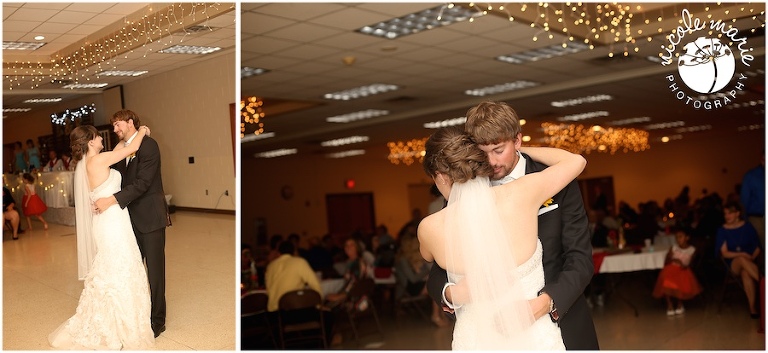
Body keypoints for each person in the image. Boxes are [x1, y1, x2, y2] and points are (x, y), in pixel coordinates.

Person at [426, 101, 599, 350]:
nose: (491, 162)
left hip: (559, 320)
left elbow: (580, 259)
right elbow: (440, 266)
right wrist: (450, 293)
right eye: (482, 152)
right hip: (490, 329)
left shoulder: (555, 178)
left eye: (498, 149)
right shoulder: (466, 187)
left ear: (517, 141)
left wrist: (544, 303)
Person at [48, 124, 153, 349]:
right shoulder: (99, 160)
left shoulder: (88, 162)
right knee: (121, 266)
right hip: (113, 221)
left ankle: (111, 317)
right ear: (90, 141)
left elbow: (119, 149)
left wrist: (124, 138)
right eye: (97, 136)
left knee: (111, 266)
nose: (101, 138)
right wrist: (142, 130)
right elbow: (130, 147)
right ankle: (121, 323)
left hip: (106, 220)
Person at [93, 109, 171, 338]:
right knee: (134, 270)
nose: (115, 130)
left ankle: (158, 320)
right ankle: (137, 314)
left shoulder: (149, 145)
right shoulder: (125, 149)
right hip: (127, 220)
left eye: (118, 125)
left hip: (150, 216)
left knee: (155, 273)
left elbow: (144, 183)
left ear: (130, 123)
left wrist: (111, 200)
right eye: (114, 126)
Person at [715, 201, 762, 319]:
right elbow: (724, 253)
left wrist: (751, 258)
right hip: (733, 263)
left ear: (737, 213)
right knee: (741, 259)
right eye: (725, 214)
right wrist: (743, 254)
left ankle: (753, 309)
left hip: (750, 261)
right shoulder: (722, 230)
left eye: (730, 213)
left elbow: (757, 247)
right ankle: (763, 282)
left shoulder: (747, 226)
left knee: (746, 273)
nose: (727, 216)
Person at [652, 227, 703, 316]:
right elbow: (666, 261)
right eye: (677, 237)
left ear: (687, 237)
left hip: (683, 269)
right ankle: (669, 304)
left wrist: (681, 263)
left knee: (681, 279)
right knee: (666, 278)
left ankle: (680, 303)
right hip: (671, 268)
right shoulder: (674, 248)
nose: (678, 239)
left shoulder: (692, 250)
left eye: (680, 237)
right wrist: (670, 257)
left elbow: (691, 264)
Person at [740, 151, 765, 252]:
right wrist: (744, 219)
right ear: (762, 158)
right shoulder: (752, 176)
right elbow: (744, 199)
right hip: (757, 217)